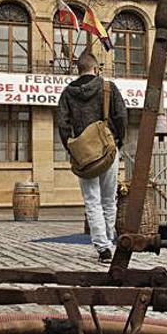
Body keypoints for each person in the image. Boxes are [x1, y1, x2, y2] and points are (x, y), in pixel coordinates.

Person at [57, 51, 127, 263]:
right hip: (108, 150)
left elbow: (62, 124)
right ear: (96, 69)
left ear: (79, 70)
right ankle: (110, 240)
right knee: (109, 200)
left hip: (84, 157)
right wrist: (119, 141)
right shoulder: (108, 88)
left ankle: (102, 247)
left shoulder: (68, 93)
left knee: (92, 201)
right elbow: (122, 116)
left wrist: (72, 149)